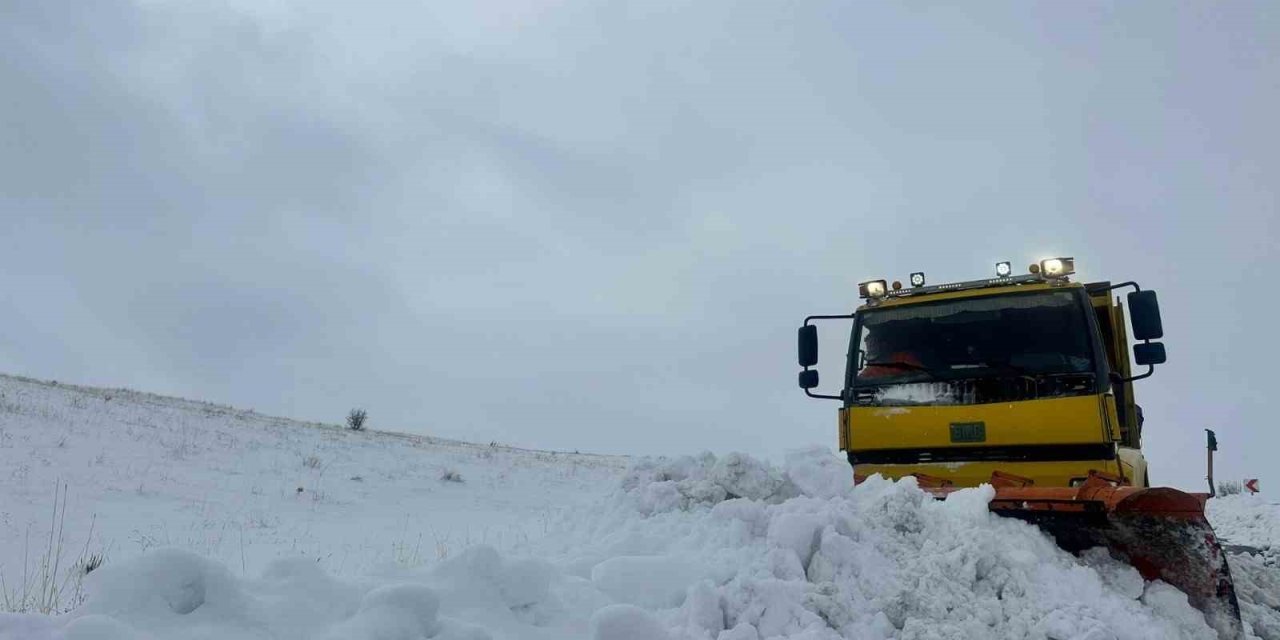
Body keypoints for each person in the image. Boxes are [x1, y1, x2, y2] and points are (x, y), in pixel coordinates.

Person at [858, 329, 925, 379]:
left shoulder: (903, 358)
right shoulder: (870, 370)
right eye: (869, 347)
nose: (871, 349)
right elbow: (858, 383)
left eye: (873, 345)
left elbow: (924, 375)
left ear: (884, 344)